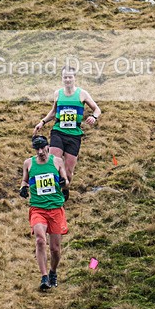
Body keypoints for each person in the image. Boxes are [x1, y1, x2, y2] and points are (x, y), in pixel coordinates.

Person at [32, 67, 101, 197]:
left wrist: (94, 117)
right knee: (54, 163)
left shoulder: (82, 94)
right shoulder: (58, 93)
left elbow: (97, 109)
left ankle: (65, 188)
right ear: (62, 78)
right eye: (65, 77)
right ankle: (54, 194)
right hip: (58, 132)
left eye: (70, 77)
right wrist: (42, 122)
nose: (68, 79)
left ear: (74, 78)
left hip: (74, 135)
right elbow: (53, 112)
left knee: (68, 171)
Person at [19, 135, 69, 291]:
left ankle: (53, 272)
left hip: (55, 208)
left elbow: (66, 182)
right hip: (38, 209)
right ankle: (44, 277)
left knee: (55, 249)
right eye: (37, 149)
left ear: (48, 146)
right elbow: (25, 180)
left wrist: (63, 182)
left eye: (42, 148)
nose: (40, 152)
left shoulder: (57, 161)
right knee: (40, 240)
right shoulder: (28, 163)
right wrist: (23, 188)